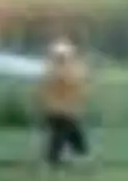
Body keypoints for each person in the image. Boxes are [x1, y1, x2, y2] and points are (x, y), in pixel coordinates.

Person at [35, 39, 92, 168]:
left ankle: (77, 155)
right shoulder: (60, 71)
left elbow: (80, 87)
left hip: (64, 110)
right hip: (60, 110)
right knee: (61, 135)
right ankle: (55, 159)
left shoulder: (55, 69)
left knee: (72, 133)